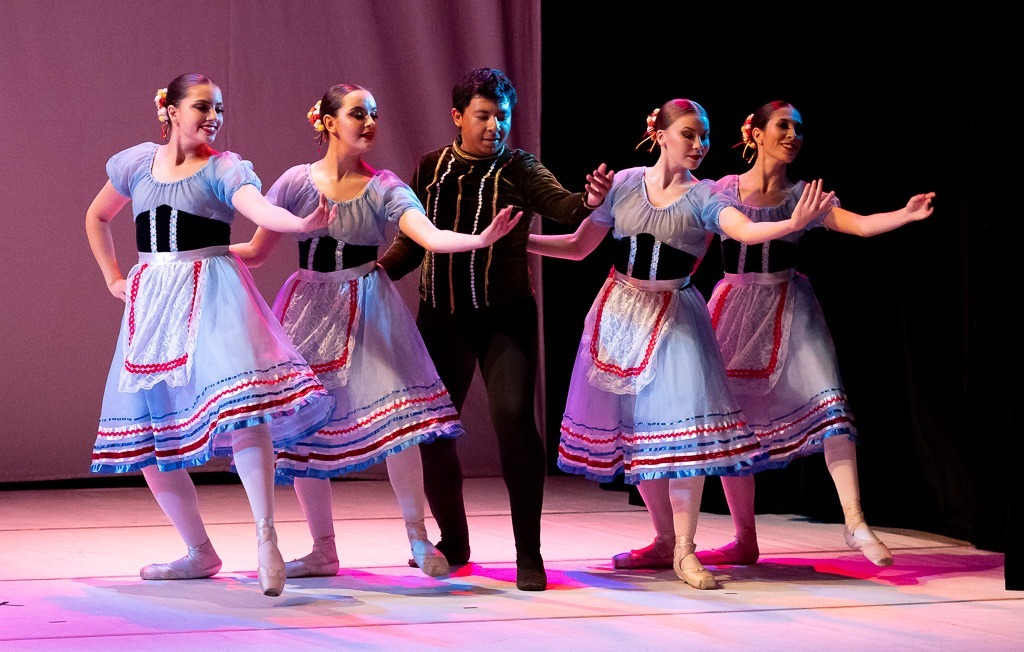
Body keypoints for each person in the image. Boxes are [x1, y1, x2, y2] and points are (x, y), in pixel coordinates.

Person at [609, 101, 935, 571]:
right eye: (783, 125)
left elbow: (859, 225)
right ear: (754, 133)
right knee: (729, 427)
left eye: (799, 128)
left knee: (832, 408)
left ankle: (855, 520)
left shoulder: (802, 195)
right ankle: (743, 539)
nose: (793, 135)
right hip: (732, 307)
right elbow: (684, 234)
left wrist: (902, 215)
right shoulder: (720, 189)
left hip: (789, 307)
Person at [526, 99, 833, 589]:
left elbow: (746, 229)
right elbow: (580, 246)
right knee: (639, 439)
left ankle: (686, 550)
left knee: (684, 437)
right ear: (661, 135)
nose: (699, 144)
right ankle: (664, 540)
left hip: (676, 318)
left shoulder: (706, 196)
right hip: (620, 313)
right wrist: (519, 242)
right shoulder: (625, 183)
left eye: (704, 136)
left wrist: (791, 223)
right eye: (689, 134)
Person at [231, 83, 520, 579]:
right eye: (357, 113)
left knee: (400, 427)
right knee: (303, 430)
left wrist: (479, 238)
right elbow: (257, 251)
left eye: (374, 114)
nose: (369, 122)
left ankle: (418, 537)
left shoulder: (384, 185)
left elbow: (426, 235)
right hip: (307, 309)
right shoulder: (297, 182)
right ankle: (323, 549)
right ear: (326, 121)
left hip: (367, 307)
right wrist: (183, 261)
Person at [85, 73, 338, 597]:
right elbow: (97, 215)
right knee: (152, 435)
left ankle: (266, 537)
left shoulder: (224, 168)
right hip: (154, 303)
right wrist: (114, 277)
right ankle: (199, 550)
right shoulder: (135, 163)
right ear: (170, 111)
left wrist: (299, 222)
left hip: (215, 296)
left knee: (245, 412)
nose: (213, 117)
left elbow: (259, 211)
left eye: (219, 108)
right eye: (202, 106)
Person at [377, 67, 613, 591]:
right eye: (482, 116)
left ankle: (529, 553)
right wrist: (377, 272)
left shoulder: (521, 168)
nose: (493, 126)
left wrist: (591, 200)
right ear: (457, 117)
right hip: (441, 316)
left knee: (513, 422)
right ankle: (455, 542)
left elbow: (564, 205)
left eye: (502, 116)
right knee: (435, 432)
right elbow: (414, 240)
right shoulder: (431, 167)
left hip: (505, 317)